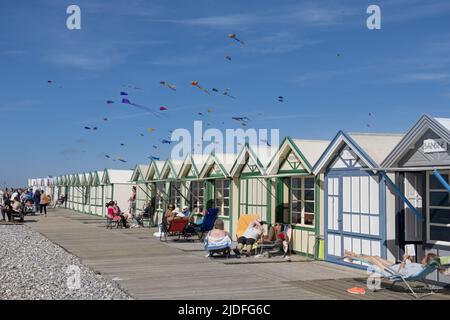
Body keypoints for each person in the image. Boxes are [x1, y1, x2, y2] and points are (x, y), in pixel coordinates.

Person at [344, 250, 442, 277]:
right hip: (394, 267)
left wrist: (404, 260)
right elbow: (410, 267)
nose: (423, 257)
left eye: (424, 258)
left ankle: (352, 256)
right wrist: (410, 260)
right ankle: (353, 256)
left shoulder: (420, 268)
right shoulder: (423, 267)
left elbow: (402, 273)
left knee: (372, 259)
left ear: (427, 261)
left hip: (392, 272)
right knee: (376, 256)